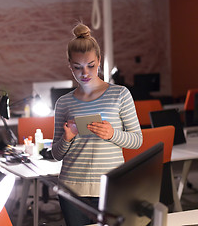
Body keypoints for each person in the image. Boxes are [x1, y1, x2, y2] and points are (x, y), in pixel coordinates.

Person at [51, 22, 143, 226]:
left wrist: (112, 134)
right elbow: (56, 154)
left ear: (99, 61)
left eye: (91, 65)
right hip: (72, 190)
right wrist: (67, 138)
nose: (85, 73)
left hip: (111, 187)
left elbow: (137, 140)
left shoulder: (120, 94)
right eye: (77, 67)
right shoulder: (63, 102)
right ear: (70, 66)